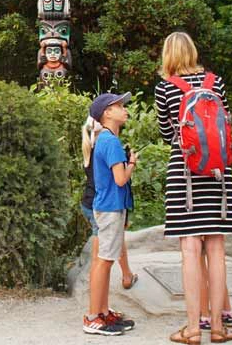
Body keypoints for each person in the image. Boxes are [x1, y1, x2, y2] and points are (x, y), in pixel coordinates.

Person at [155, 31, 232, 344]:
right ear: (193, 51)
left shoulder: (165, 87)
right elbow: (226, 122)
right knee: (216, 248)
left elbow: (167, 134)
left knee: (190, 249)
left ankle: (193, 328)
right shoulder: (214, 82)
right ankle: (217, 327)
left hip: (185, 173)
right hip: (218, 173)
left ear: (168, 55)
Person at [83, 92, 137, 336]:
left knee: (102, 260)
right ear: (106, 113)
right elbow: (120, 179)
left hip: (105, 206)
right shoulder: (112, 142)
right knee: (103, 262)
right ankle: (94, 317)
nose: (124, 109)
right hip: (110, 208)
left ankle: (103, 312)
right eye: (119, 106)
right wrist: (132, 164)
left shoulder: (102, 138)